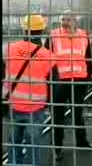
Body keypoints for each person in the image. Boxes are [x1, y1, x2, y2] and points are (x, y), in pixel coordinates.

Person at [2, 14, 58, 166]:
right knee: (33, 144)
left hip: (13, 105)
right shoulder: (48, 56)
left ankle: (14, 163)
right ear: (42, 30)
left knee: (14, 142)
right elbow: (54, 84)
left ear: (23, 29)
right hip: (35, 108)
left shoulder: (9, 50)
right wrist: (49, 104)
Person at [44, 10, 92, 161]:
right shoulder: (53, 35)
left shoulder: (84, 35)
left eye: (68, 19)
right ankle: (57, 148)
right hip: (59, 82)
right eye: (62, 19)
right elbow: (46, 58)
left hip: (79, 81)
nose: (64, 22)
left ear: (75, 21)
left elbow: (88, 58)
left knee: (78, 113)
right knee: (57, 116)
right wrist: (49, 81)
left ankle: (82, 142)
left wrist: (89, 78)